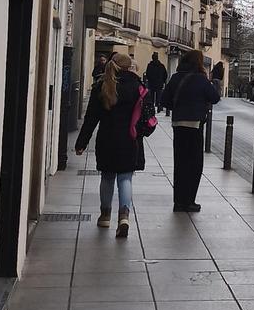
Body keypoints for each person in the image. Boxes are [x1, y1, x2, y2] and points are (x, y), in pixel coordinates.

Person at [74, 52, 156, 237]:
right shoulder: (138, 87)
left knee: (107, 177)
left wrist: (82, 142)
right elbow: (147, 115)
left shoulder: (101, 86)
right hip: (130, 139)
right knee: (125, 178)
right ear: (129, 67)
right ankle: (124, 217)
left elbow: (91, 118)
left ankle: (104, 216)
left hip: (106, 139)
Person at [162, 50, 220, 212]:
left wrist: (179, 108)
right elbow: (215, 98)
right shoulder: (201, 79)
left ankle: (178, 201)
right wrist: (213, 83)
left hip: (178, 124)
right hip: (194, 125)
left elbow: (164, 100)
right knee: (194, 164)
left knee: (180, 163)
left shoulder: (175, 77)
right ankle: (189, 201)